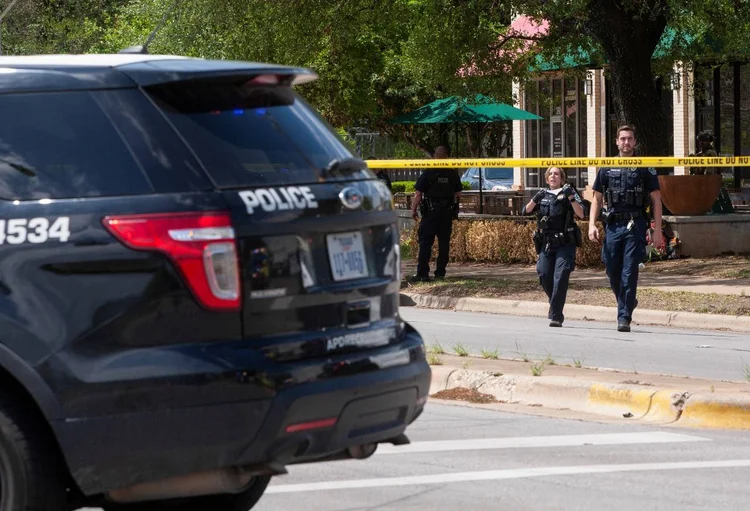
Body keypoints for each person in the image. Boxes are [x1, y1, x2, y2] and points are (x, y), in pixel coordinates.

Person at [588, 125, 662, 332]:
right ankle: (628, 301)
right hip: (612, 225)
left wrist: (657, 230)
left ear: (635, 142)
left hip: (635, 225)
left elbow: (657, 199)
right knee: (612, 269)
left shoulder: (644, 167)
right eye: (623, 139)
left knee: (629, 272)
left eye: (630, 139)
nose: (626, 142)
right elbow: (597, 198)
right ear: (617, 141)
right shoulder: (606, 166)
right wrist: (591, 224)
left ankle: (624, 317)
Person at [525, 167, 585, 327]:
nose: (553, 176)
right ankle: (555, 306)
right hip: (547, 243)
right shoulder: (542, 194)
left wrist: (571, 197)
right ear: (546, 178)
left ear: (562, 178)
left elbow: (581, 214)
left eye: (556, 174)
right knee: (544, 275)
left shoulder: (568, 192)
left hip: (565, 243)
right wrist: (534, 199)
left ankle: (556, 316)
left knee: (560, 276)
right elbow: (526, 211)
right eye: (550, 174)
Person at [409, 145, 462, 282]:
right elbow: (458, 194)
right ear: (447, 157)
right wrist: (455, 209)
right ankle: (440, 273)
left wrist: (413, 209)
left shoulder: (428, 173)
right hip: (446, 213)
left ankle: (423, 273)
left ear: (434, 156)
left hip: (431, 213)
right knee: (444, 243)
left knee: (425, 243)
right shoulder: (452, 174)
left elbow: (418, 195)